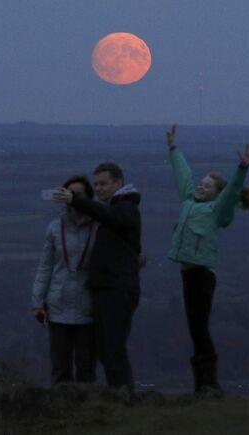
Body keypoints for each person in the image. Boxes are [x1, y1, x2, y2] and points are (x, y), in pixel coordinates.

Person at [165, 124, 249, 395]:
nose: (200, 187)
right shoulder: (188, 201)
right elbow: (182, 175)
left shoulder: (215, 210)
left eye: (207, 186)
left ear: (215, 194)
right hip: (188, 274)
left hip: (201, 276)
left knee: (199, 327)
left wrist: (241, 169)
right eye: (201, 184)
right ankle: (203, 384)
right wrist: (173, 148)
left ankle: (208, 382)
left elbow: (230, 194)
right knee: (195, 328)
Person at [53, 162, 141, 392]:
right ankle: (120, 395)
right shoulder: (117, 208)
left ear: (118, 183)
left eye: (103, 183)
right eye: (96, 184)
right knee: (105, 349)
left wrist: (76, 201)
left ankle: (124, 397)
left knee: (113, 349)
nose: (99, 188)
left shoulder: (126, 207)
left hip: (117, 290)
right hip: (107, 289)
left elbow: (110, 217)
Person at [31, 175, 97, 385]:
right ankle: (61, 414)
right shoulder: (54, 228)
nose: (73, 198)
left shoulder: (99, 226)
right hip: (59, 305)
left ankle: (89, 413)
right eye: (69, 193)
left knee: (86, 369)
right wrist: (37, 302)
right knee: (60, 369)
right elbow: (45, 267)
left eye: (78, 195)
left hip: (89, 305)